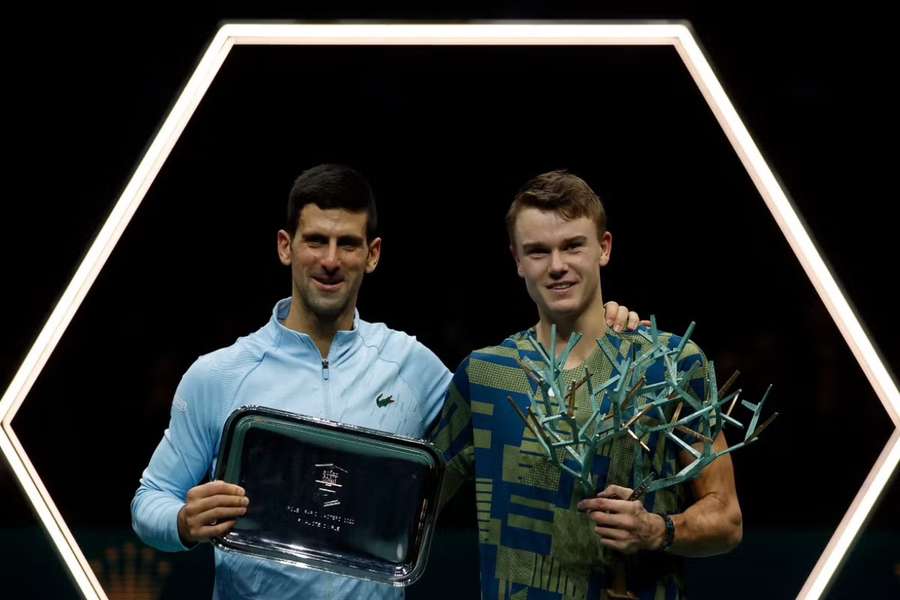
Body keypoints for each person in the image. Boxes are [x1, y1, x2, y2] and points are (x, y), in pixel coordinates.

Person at [131, 163, 641, 599]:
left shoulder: (412, 365)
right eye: (316, 241)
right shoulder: (218, 374)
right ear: (286, 247)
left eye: (347, 244)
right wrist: (181, 522)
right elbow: (150, 499)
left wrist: (599, 328)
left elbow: (509, 413)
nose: (330, 260)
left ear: (372, 254)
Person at [433, 170, 742, 600]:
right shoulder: (484, 376)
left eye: (573, 246)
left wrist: (658, 529)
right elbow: (409, 509)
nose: (557, 266)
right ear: (517, 260)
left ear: (604, 248)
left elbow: (727, 519)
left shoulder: (668, 364)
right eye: (538, 251)